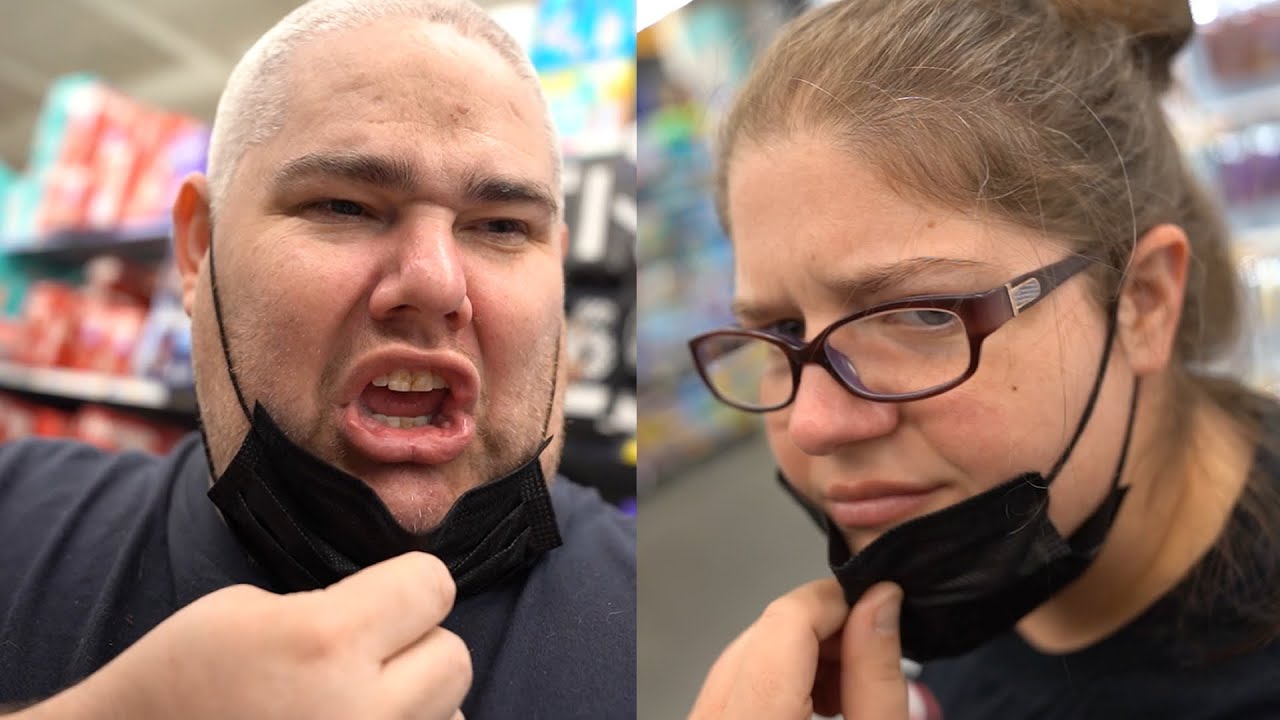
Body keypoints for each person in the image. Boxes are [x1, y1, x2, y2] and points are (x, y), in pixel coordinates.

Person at [0, 1, 635, 718]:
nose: (433, 281)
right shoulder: (15, 516)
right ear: (197, 249)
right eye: (343, 206)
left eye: (500, 226)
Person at [683, 0, 1280, 718]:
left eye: (921, 314)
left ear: (1143, 301)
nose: (812, 425)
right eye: (780, 329)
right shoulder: (939, 599)